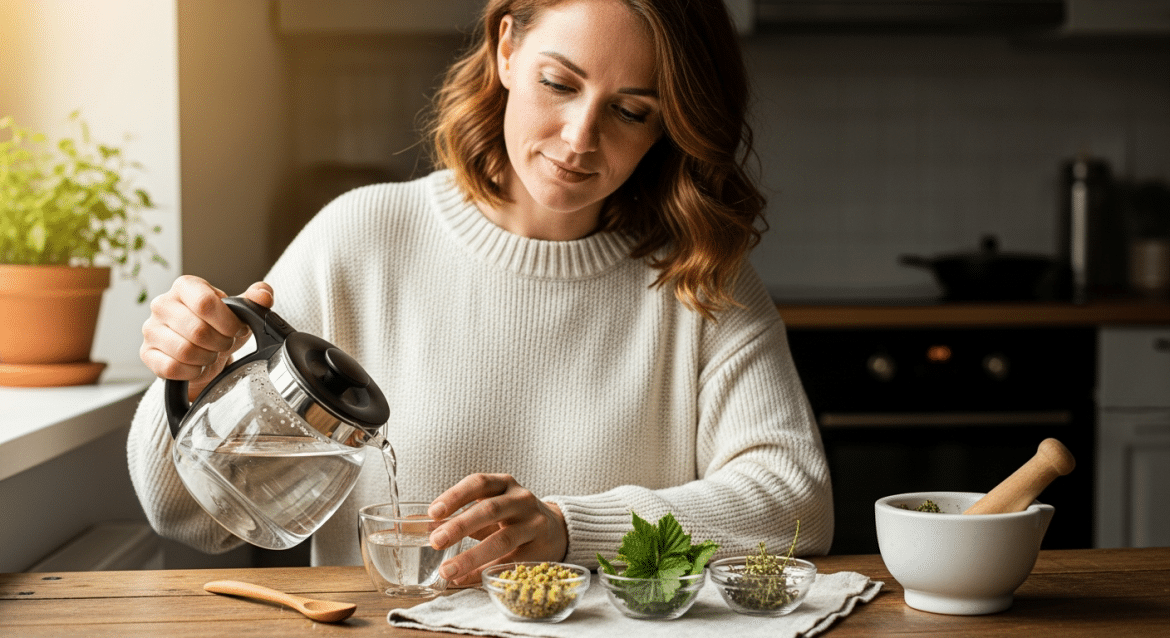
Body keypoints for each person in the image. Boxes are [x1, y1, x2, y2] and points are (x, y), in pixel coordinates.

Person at [128, 0, 833, 585]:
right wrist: (194, 379)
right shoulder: (360, 239)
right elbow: (189, 518)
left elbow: (797, 505)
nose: (580, 137)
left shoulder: (701, 278)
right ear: (506, 49)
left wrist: (567, 530)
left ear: (669, 125)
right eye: (559, 84)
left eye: (631, 111)